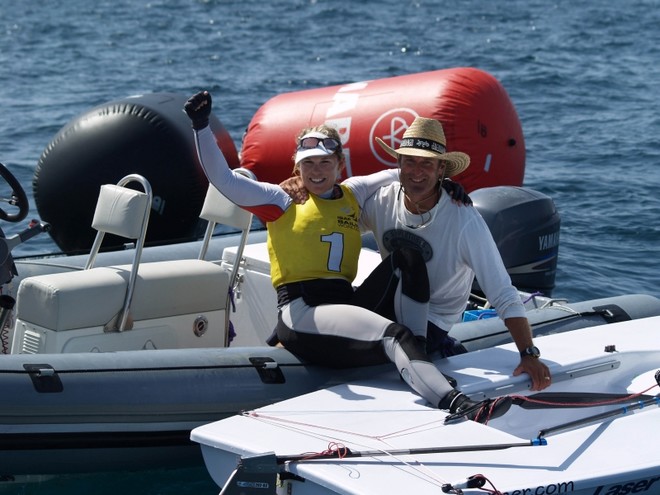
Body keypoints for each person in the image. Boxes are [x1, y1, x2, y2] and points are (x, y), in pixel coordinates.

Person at [184, 91, 512, 423]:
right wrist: (201, 126)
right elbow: (223, 179)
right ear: (296, 167)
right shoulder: (280, 200)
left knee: (408, 258)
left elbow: (403, 173)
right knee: (394, 335)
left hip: (345, 305)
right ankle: (458, 404)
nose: (316, 171)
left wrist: (447, 184)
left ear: (340, 164)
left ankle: (421, 358)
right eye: (307, 163)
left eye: (325, 162)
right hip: (303, 310)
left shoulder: (352, 193)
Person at [282, 116, 552, 392]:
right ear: (398, 165)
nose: (417, 171)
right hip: (385, 310)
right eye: (410, 161)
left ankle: (417, 358)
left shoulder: (464, 220)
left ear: (441, 169)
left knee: (406, 258)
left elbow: (503, 293)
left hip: (430, 324)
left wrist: (528, 354)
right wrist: (303, 185)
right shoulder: (382, 201)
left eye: (427, 163)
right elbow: (332, 218)